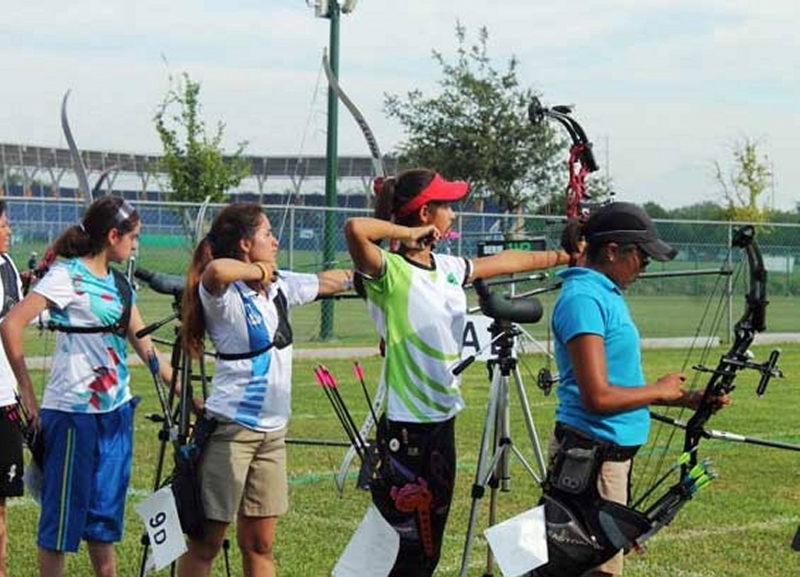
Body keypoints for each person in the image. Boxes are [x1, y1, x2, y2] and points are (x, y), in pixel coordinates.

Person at [344, 168, 571, 576]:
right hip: (408, 430)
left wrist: (563, 257)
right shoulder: (389, 272)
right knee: (409, 550)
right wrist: (406, 234)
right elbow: (355, 228)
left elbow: (504, 262)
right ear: (425, 211)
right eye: (446, 205)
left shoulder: (447, 267)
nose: (453, 212)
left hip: (441, 424)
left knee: (427, 548)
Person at [541, 201, 729, 577]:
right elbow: (597, 396)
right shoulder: (583, 299)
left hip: (606, 457)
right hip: (591, 459)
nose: (643, 269)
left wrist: (690, 399)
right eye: (641, 258)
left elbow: (617, 383)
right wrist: (660, 392)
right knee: (594, 569)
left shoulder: (604, 294)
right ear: (612, 251)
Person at [178, 203, 352, 577]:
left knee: (260, 544)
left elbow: (330, 281)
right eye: (266, 234)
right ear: (244, 243)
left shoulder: (279, 284)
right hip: (231, 431)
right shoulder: (223, 294)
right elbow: (215, 270)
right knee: (205, 544)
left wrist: (376, 270)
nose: (275, 240)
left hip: (273, 434)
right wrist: (260, 271)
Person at [0, 195, 170, 577]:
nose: (136, 244)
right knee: (59, 524)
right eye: (134, 237)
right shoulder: (68, 275)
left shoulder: (122, 286)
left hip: (115, 415)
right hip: (73, 415)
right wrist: (27, 393)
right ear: (113, 236)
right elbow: (11, 324)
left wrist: (185, 391)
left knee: (105, 518)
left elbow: (146, 348)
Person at [0, 201, 23, 577]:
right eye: (2, 225)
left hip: (4, 398)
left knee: (0, 502)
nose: (9, 231)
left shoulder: (7, 266)